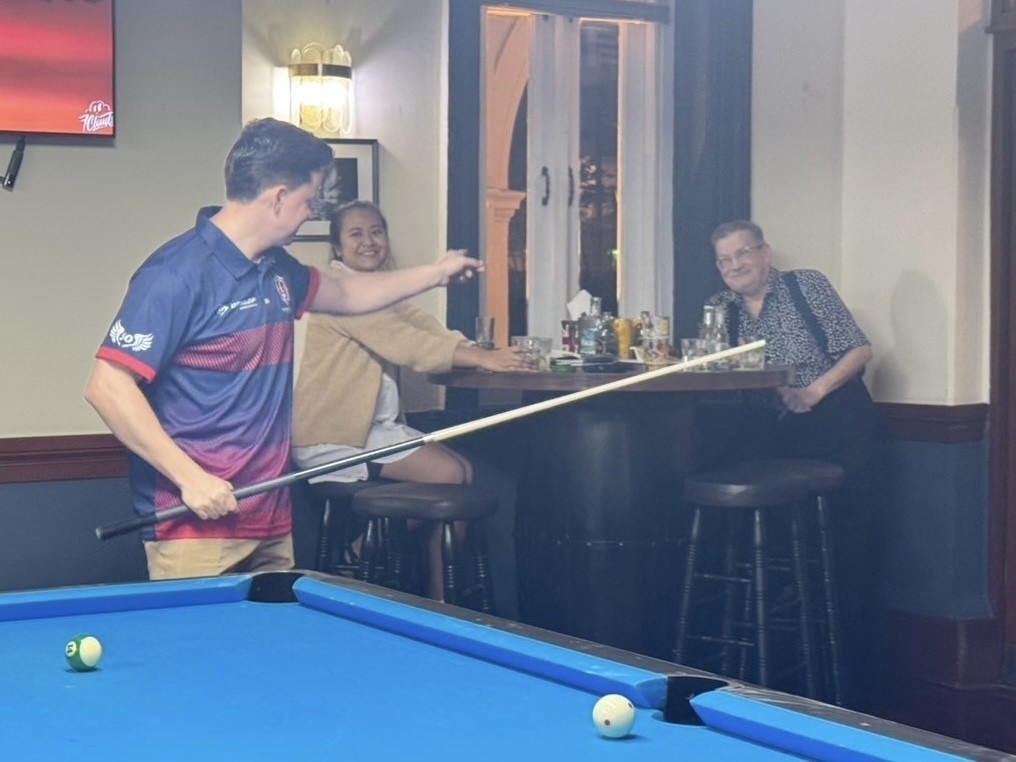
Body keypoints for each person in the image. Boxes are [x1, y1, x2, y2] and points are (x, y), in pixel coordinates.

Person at [84, 118, 483, 582]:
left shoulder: (276, 268)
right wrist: (191, 479)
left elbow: (346, 294)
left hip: (271, 521)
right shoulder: (176, 275)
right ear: (277, 198)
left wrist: (435, 273)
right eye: (308, 200)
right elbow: (107, 387)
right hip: (195, 529)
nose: (310, 213)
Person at [293, 200, 529, 599]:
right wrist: (483, 359)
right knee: (449, 475)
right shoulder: (341, 294)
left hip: (371, 431)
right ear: (337, 247)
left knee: (462, 472)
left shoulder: (380, 292)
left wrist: (475, 349)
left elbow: (423, 327)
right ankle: (366, 557)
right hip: (330, 436)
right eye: (356, 234)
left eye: (377, 232)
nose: (369, 242)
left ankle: (439, 596)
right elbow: (408, 344)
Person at [706, 219, 879, 708]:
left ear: (764, 253)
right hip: (778, 433)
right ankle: (786, 679)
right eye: (724, 260)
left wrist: (811, 392)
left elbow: (860, 350)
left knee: (850, 551)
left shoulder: (805, 286)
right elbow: (720, 370)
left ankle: (853, 690)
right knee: (783, 556)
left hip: (839, 422)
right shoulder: (721, 309)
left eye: (743, 253)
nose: (735, 266)